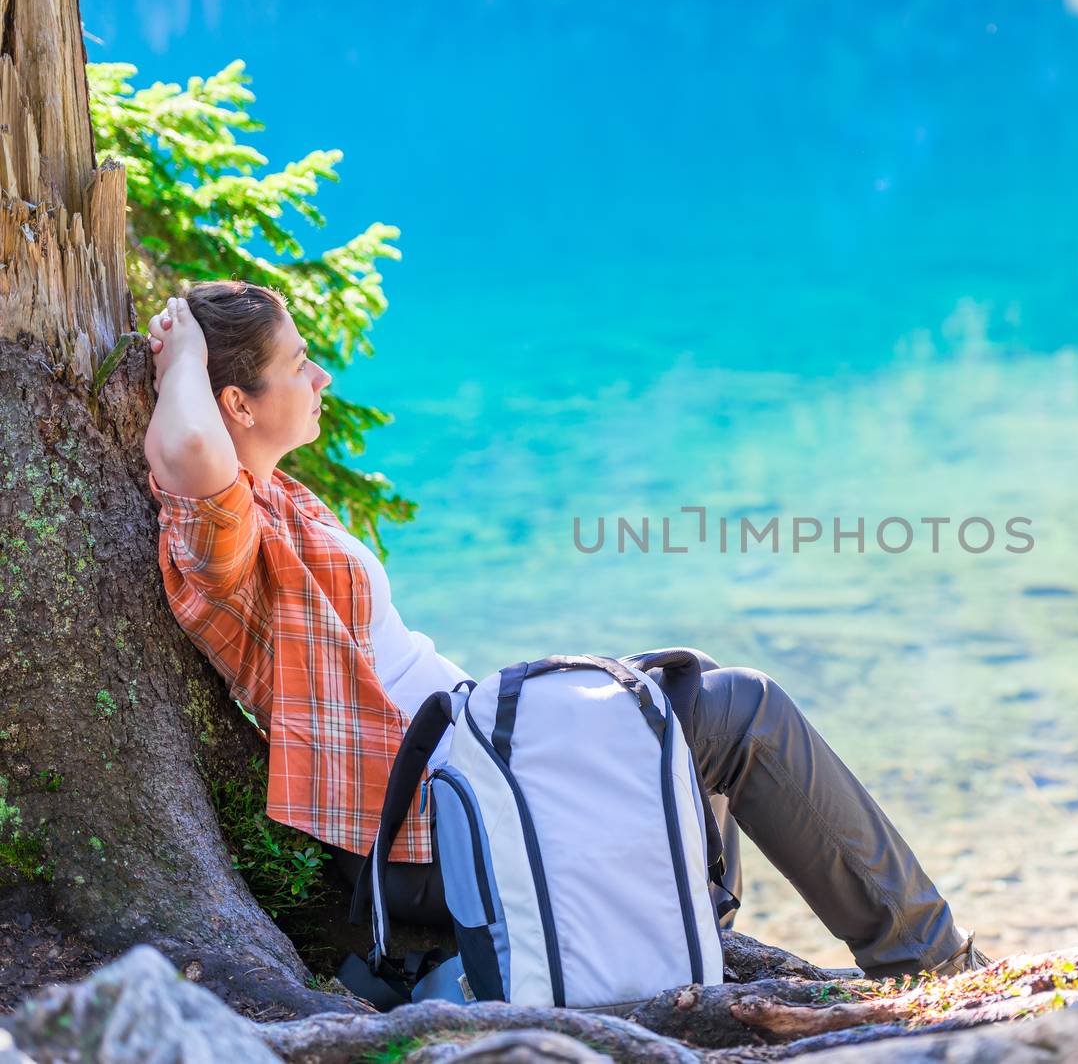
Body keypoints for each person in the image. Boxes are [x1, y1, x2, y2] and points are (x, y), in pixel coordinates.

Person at [143, 281, 990, 980]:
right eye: (298, 364)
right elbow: (184, 449)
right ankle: (929, 960)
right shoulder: (229, 550)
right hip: (439, 816)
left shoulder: (276, 499)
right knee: (742, 714)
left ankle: (704, 934)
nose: (320, 376)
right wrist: (182, 354)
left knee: (695, 702)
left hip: (474, 765)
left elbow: (206, 449)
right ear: (235, 404)